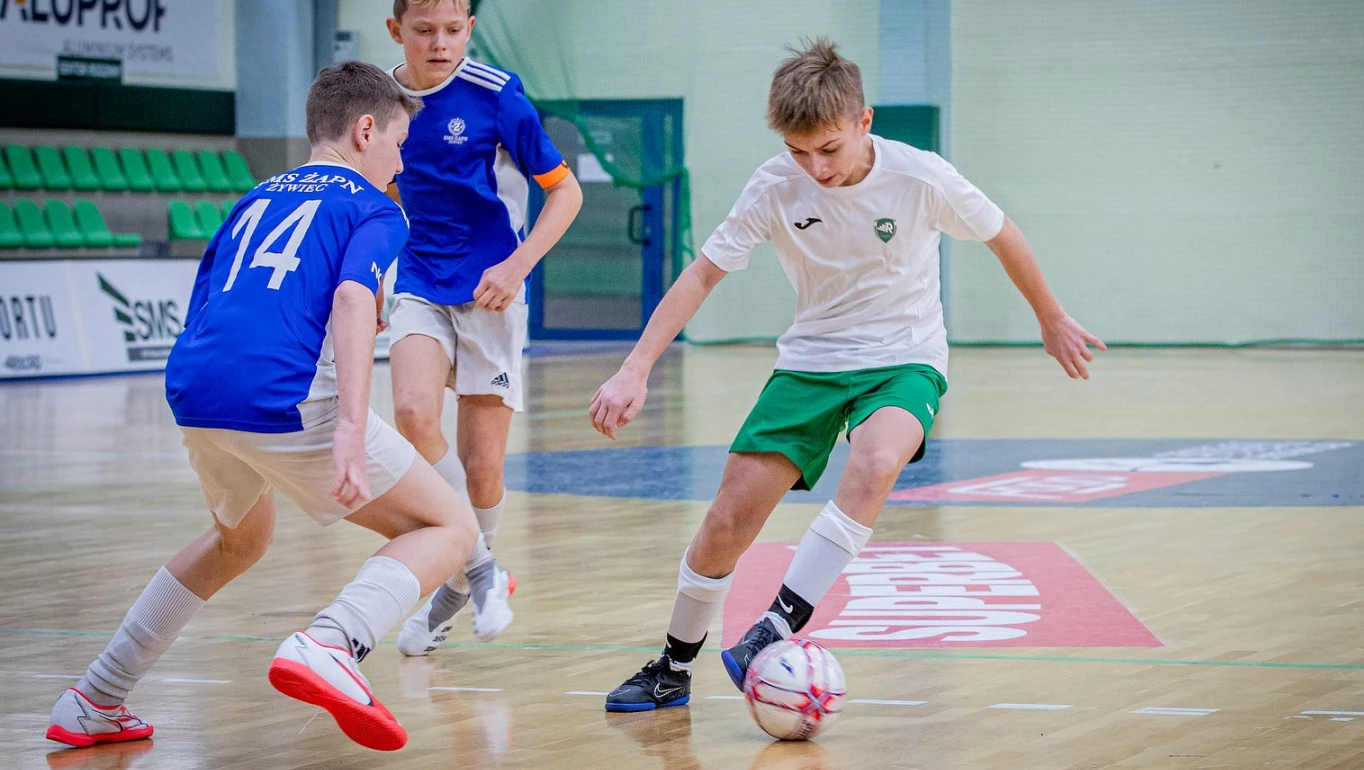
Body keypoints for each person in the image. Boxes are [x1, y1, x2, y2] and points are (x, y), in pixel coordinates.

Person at [592, 39, 1106, 712]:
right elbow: (702, 274)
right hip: (811, 361)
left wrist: (1051, 317)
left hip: (905, 357)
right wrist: (635, 368)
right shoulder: (773, 185)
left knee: (877, 461)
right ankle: (673, 668)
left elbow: (1003, 233)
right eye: (798, 151)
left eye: (829, 149)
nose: (816, 167)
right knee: (727, 521)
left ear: (864, 121)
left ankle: (777, 624)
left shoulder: (920, 177)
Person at [44, 61, 496, 752]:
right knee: (451, 525)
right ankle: (334, 641)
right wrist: (350, 427)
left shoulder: (253, 197)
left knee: (239, 540)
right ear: (365, 130)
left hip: (196, 387)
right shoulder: (375, 207)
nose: (402, 163)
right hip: (285, 395)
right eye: (398, 143)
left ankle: (95, 697)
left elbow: (216, 298)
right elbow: (352, 298)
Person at [383, 0, 583, 655]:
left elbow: (566, 192)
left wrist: (518, 265)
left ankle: (452, 595)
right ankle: (484, 571)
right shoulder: (380, 101)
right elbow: (379, 191)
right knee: (413, 413)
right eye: (424, 31)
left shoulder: (497, 97)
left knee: (481, 467)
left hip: (491, 295)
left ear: (469, 28)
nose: (439, 44)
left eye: (452, 31)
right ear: (396, 31)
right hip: (418, 281)